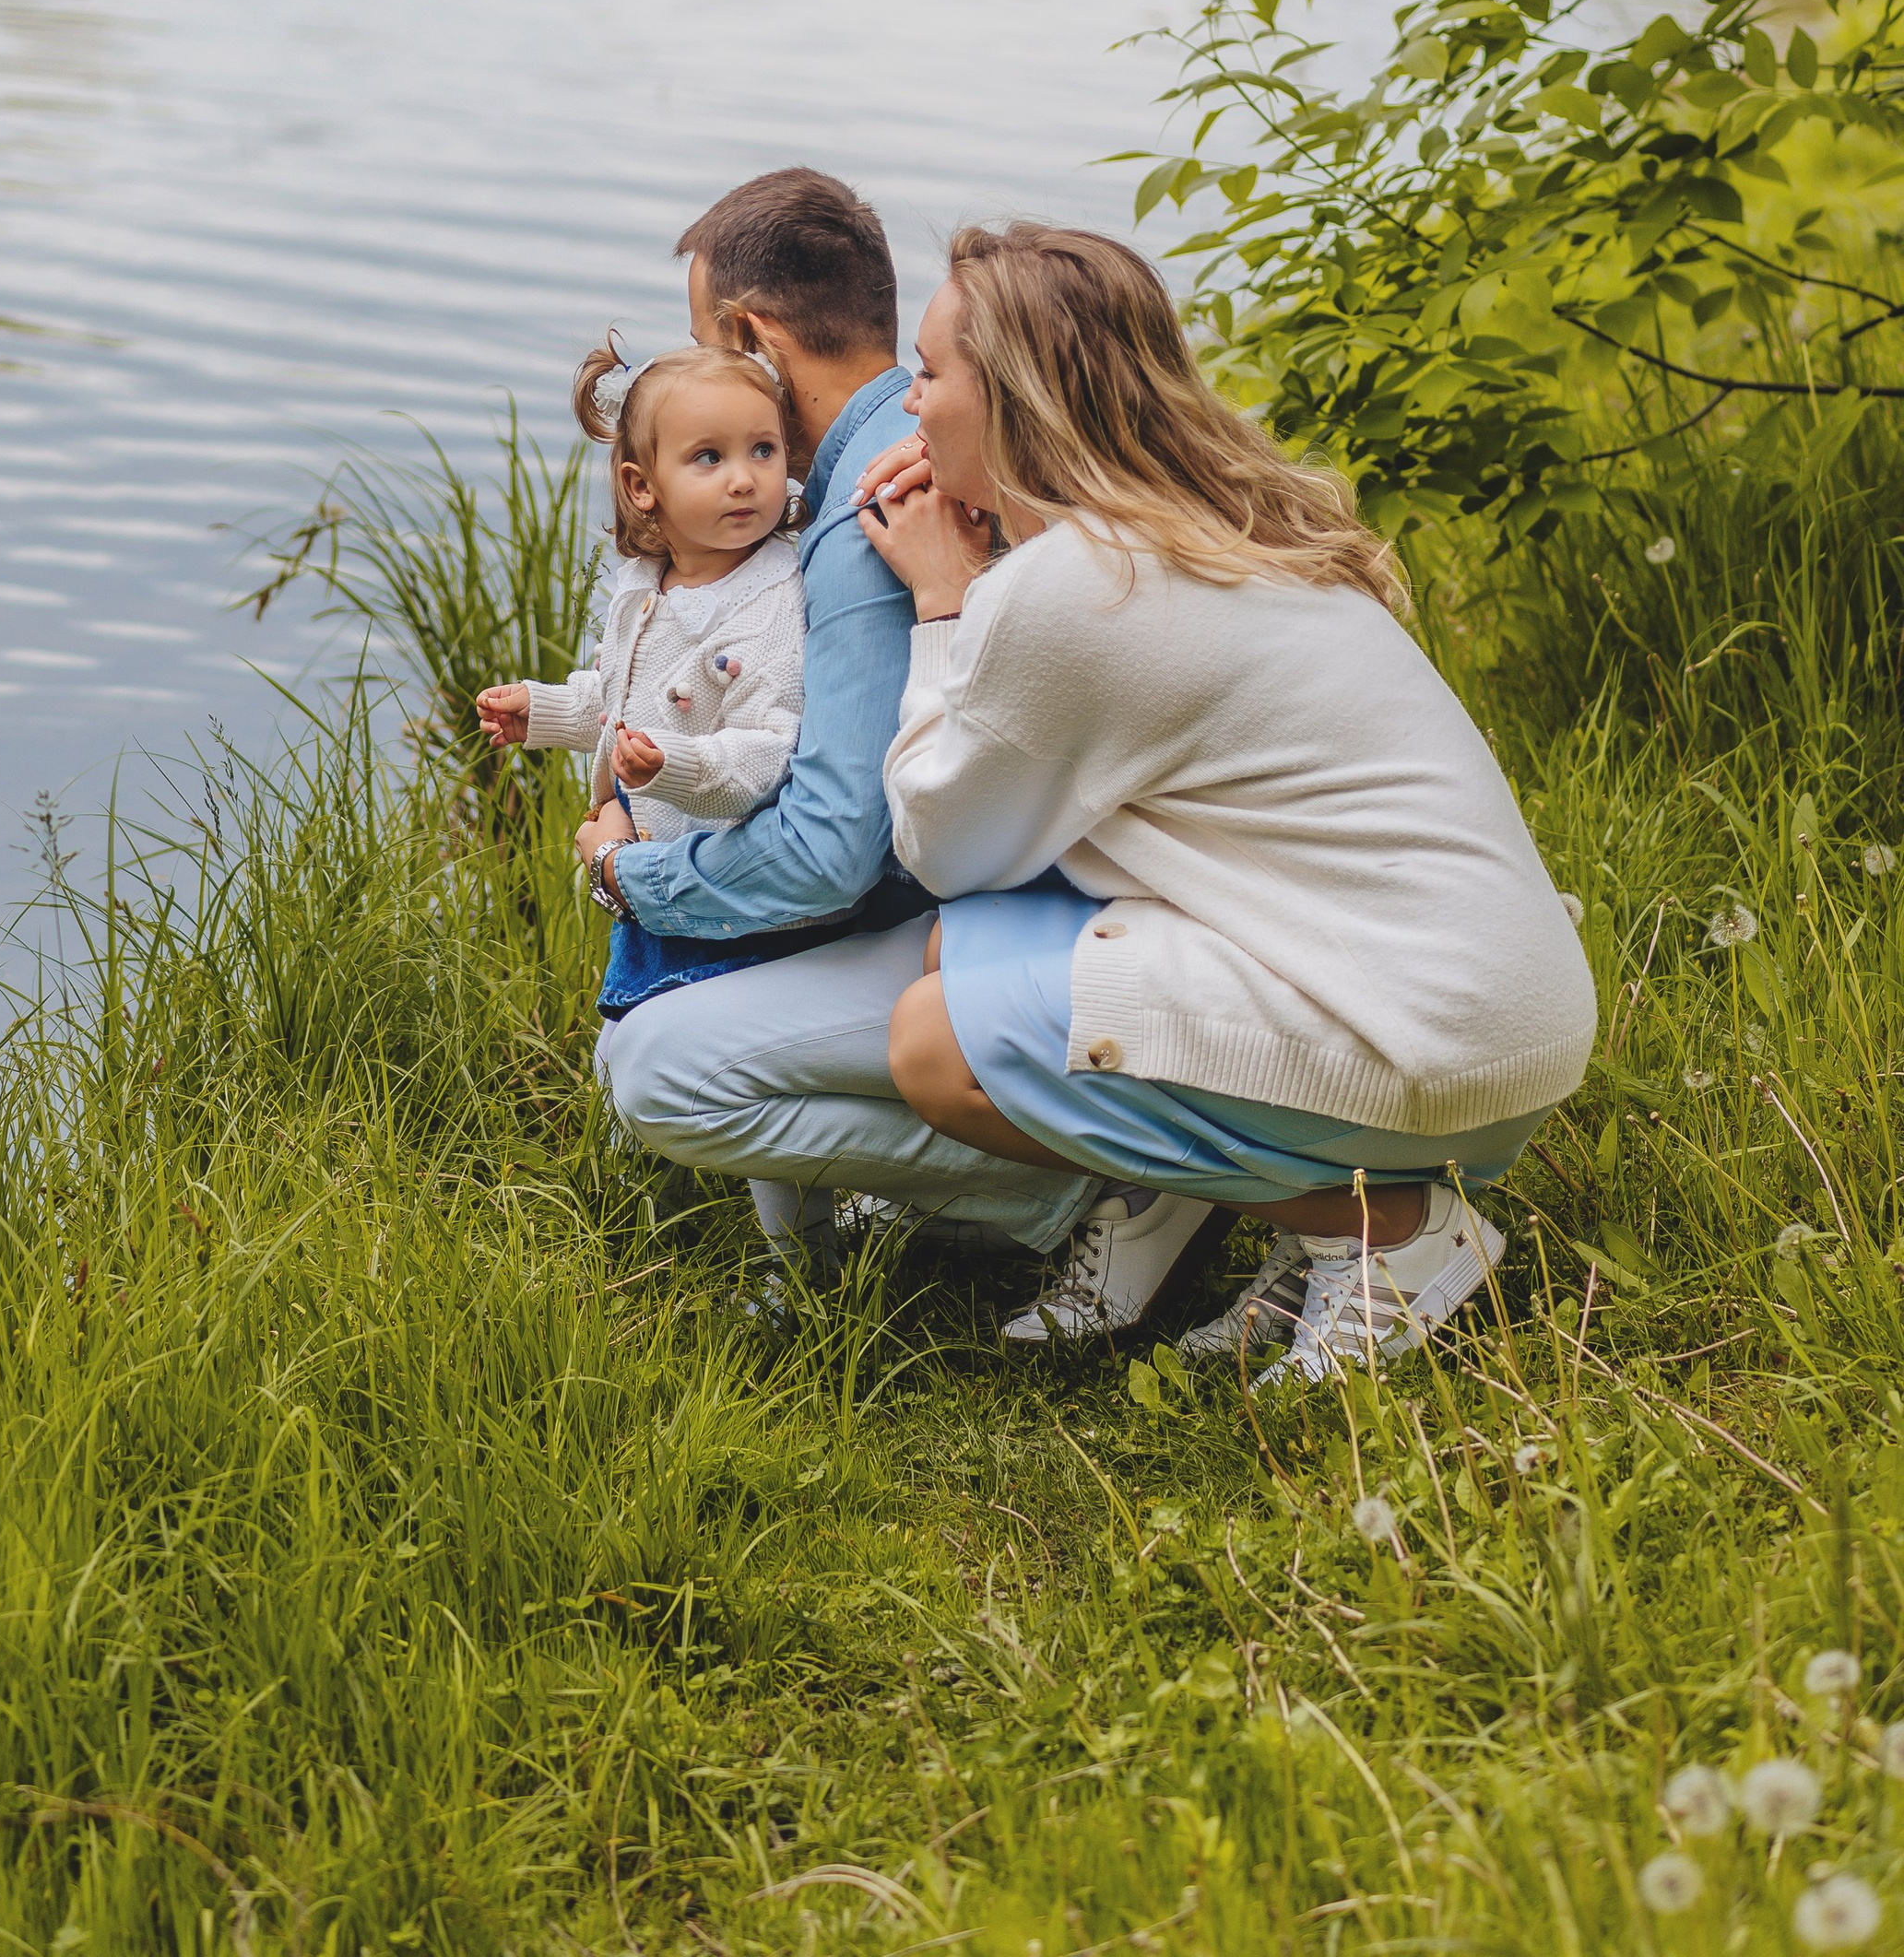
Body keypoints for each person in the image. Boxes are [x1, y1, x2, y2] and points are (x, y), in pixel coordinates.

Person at [856, 224, 1598, 1384]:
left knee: (937, 1046)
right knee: (975, 947)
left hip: (1428, 1056)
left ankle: (1387, 1233)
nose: (910, 404)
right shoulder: (1214, 528)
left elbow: (942, 842)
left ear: (1011, 398)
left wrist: (944, 605)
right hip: (1506, 1023)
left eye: (930, 372)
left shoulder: (1071, 590)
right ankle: (1244, 1206)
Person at [597, 171, 1097, 1276]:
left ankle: (1051, 1186)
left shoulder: (864, 510)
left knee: (647, 1069)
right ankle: (932, 1186)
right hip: (1022, 889)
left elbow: (831, 850)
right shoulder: (897, 462)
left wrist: (630, 879)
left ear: (751, 338)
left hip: (1014, 916)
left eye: (705, 343)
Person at [476, 334, 805, 1025]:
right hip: (655, 860)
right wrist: (544, 711)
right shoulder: (648, 586)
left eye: (763, 450)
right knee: (630, 1023)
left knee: (679, 1026)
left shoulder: (772, 605)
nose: (743, 478)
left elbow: (769, 753)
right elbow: (623, 693)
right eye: (709, 458)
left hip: (720, 891)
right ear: (641, 486)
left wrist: (670, 767)